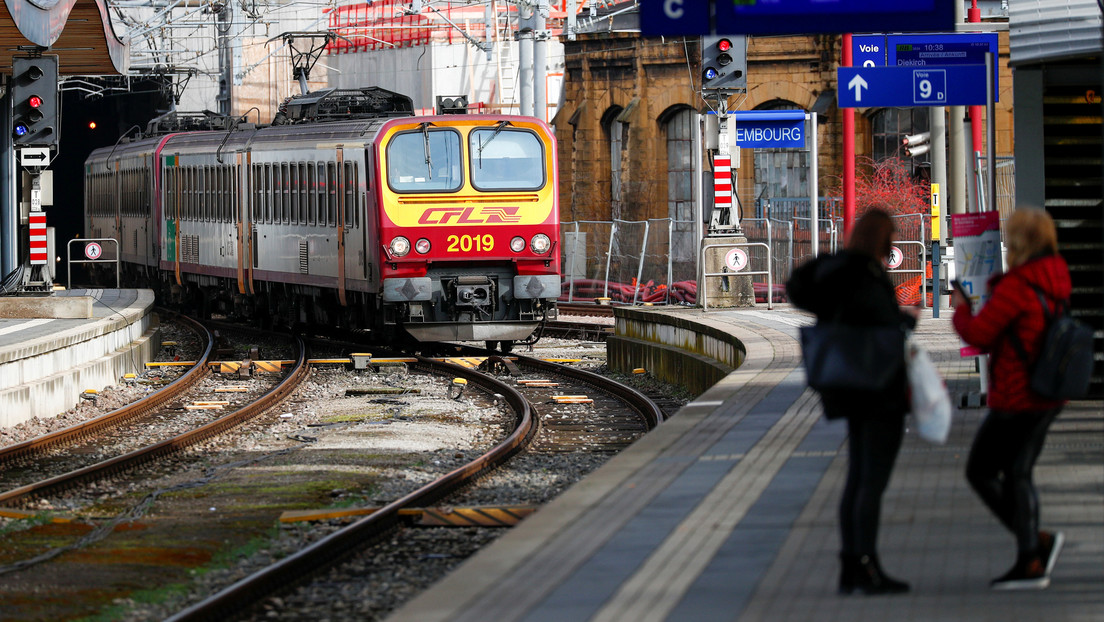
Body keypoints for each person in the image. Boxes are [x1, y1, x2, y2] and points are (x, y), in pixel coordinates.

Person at [786, 208, 917, 595]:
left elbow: (798, 285)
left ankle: (851, 564)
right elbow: (882, 329)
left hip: (851, 389)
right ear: (883, 239)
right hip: (880, 391)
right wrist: (906, 321)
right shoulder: (867, 277)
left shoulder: (838, 270)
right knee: (871, 483)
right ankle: (867, 567)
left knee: (857, 477)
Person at [951, 207, 1068, 590]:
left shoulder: (1019, 285)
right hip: (1046, 395)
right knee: (1018, 472)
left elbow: (981, 334)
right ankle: (1032, 548)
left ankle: (1032, 552)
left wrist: (961, 313)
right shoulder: (1054, 277)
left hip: (1018, 397)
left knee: (983, 471)